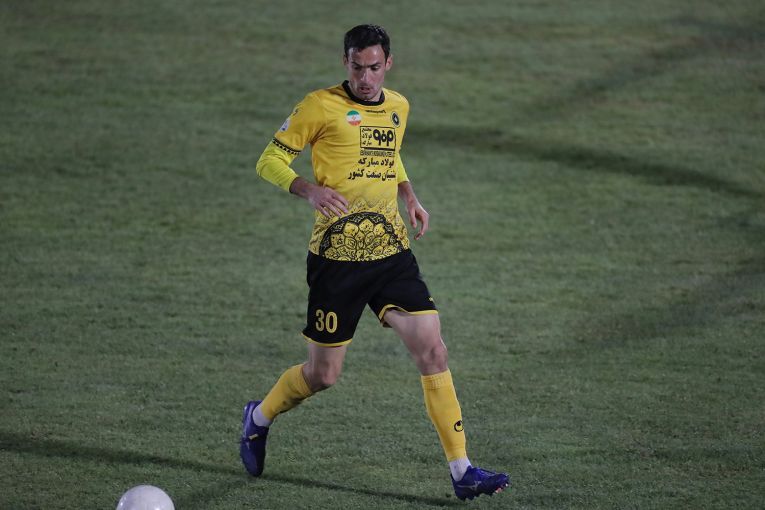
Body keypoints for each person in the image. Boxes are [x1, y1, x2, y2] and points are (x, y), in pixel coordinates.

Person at [240, 24, 509, 501]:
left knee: (433, 349)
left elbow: (388, 153)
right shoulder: (318, 106)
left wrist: (409, 195)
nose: (365, 78)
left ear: (388, 64)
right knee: (323, 375)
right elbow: (269, 160)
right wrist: (309, 190)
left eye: (374, 68)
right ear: (345, 62)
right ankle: (259, 417)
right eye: (357, 67)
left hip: (389, 251)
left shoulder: (398, 106)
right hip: (336, 260)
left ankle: (462, 469)